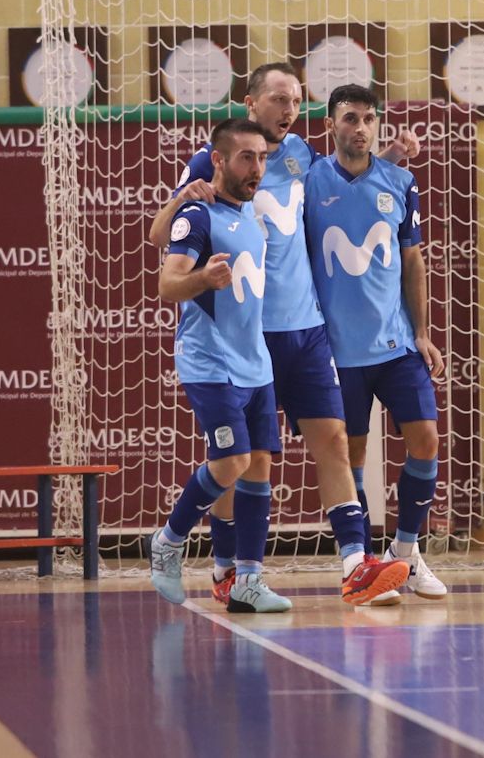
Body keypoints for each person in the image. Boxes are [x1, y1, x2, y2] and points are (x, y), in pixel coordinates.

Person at [148, 63, 415, 606]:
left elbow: (347, 190)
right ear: (251, 103)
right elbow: (161, 236)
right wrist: (184, 205)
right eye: (277, 99)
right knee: (248, 461)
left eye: (296, 100)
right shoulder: (214, 159)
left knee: (334, 440)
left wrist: (389, 161)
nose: (289, 109)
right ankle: (230, 567)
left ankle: (354, 565)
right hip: (249, 333)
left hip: (308, 327)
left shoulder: (299, 156)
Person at [305, 83, 449, 600]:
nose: (360, 127)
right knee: (353, 457)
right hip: (338, 353)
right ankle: (365, 566)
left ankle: (405, 556)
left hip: (395, 346)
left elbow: (412, 261)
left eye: (368, 118)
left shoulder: (401, 181)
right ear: (331, 124)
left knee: (426, 441)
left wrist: (422, 332)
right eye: (350, 118)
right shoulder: (309, 181)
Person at [149, 118, 290, 612]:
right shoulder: (197, 215)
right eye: (246, 157)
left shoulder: (251, 219)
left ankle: (248, 581)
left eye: (262, 158)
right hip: (209, 363)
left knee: (258, 470)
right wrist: (204, 279)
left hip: (256, 363)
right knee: (230, 462)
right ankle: (168, 542)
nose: (257, 168)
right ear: (220, 161)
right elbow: (169, 285)